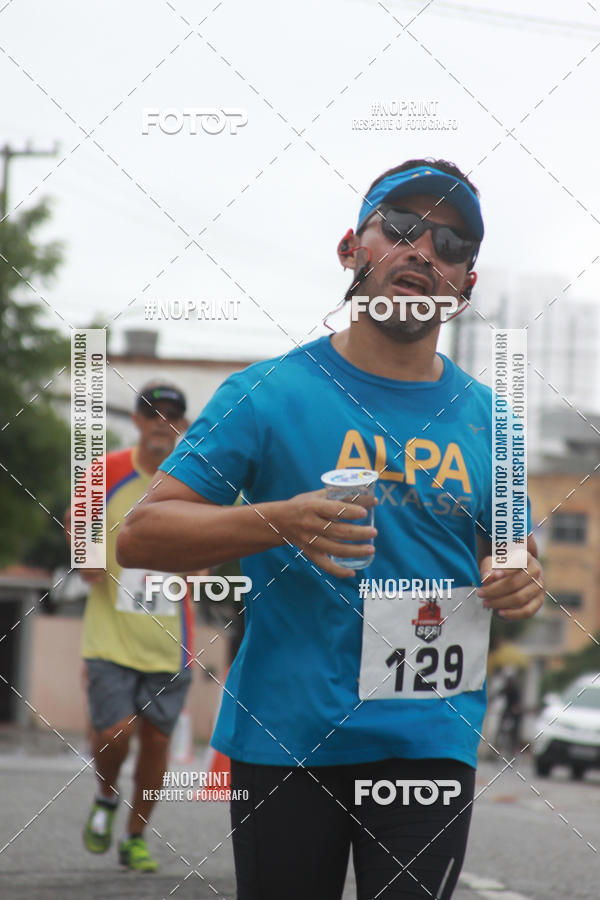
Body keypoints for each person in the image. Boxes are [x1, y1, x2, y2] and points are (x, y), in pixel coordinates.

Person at [116, 160, 545, 899]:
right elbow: (139, 536)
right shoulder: (266, 394)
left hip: (428, 742)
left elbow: (512, 548)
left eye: (451, 243)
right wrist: (278, 521)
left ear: (465, 287)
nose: (423, 250)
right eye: (402, 227)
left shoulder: (492, 420)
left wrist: (521, 575)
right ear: (353, 248)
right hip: (286, 737)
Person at [66, 383, 193, 872]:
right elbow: (77, 523)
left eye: (172, 415)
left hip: (169, 641)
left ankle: (136, 836)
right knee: (114, 733)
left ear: (181, 425)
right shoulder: (108, 470)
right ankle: (105, 795)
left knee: (157, 743)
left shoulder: (194, 477)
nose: (163, 422)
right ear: (138, 422)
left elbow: (209, 538)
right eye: (153, 414)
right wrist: (86, 555)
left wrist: (198, 565)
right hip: (109, 635)